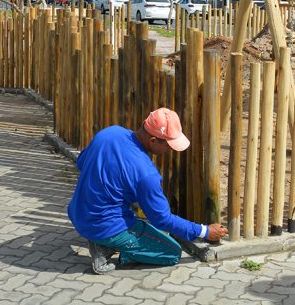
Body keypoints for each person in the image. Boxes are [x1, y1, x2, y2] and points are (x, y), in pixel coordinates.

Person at [68, 108, 227, 274]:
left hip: (77, 213)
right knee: (171, 252)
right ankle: (106, 247)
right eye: (168, 146)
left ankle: (101, 236)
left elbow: (81, 162)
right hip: (104, 225)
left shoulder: (109, 133)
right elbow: (161, 219)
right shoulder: (146, 173)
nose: (170, 150)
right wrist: (205, 231)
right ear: (152, 140)